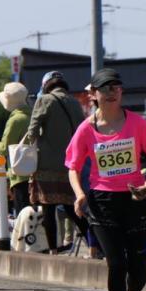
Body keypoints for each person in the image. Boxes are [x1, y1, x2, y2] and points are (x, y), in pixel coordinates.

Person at [65, 68, 146, 291]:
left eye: (115, 88)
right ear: (93, 95)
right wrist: (79, 194)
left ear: (121, 92)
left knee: (138, 267)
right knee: (116, 263)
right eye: (104, 88)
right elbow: (73, 166)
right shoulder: (86, 129)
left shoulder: (135, 123)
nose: (110, 93)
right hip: (102, 200)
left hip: (135, 198)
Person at [25, 71, 88, 253]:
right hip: (71, 165)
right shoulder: (75, 103)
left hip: (47, 164)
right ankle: (95, 243)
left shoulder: (45, 100)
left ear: (46, 86)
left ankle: (52, 250)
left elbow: (32, 132)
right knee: (71, 207)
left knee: (48, 209)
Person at [0, 82, 32, 218]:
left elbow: (3, 149)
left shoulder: (15, 120)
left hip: (20, 174)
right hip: (35, 172)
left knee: (22, 217)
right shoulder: (32, 115)